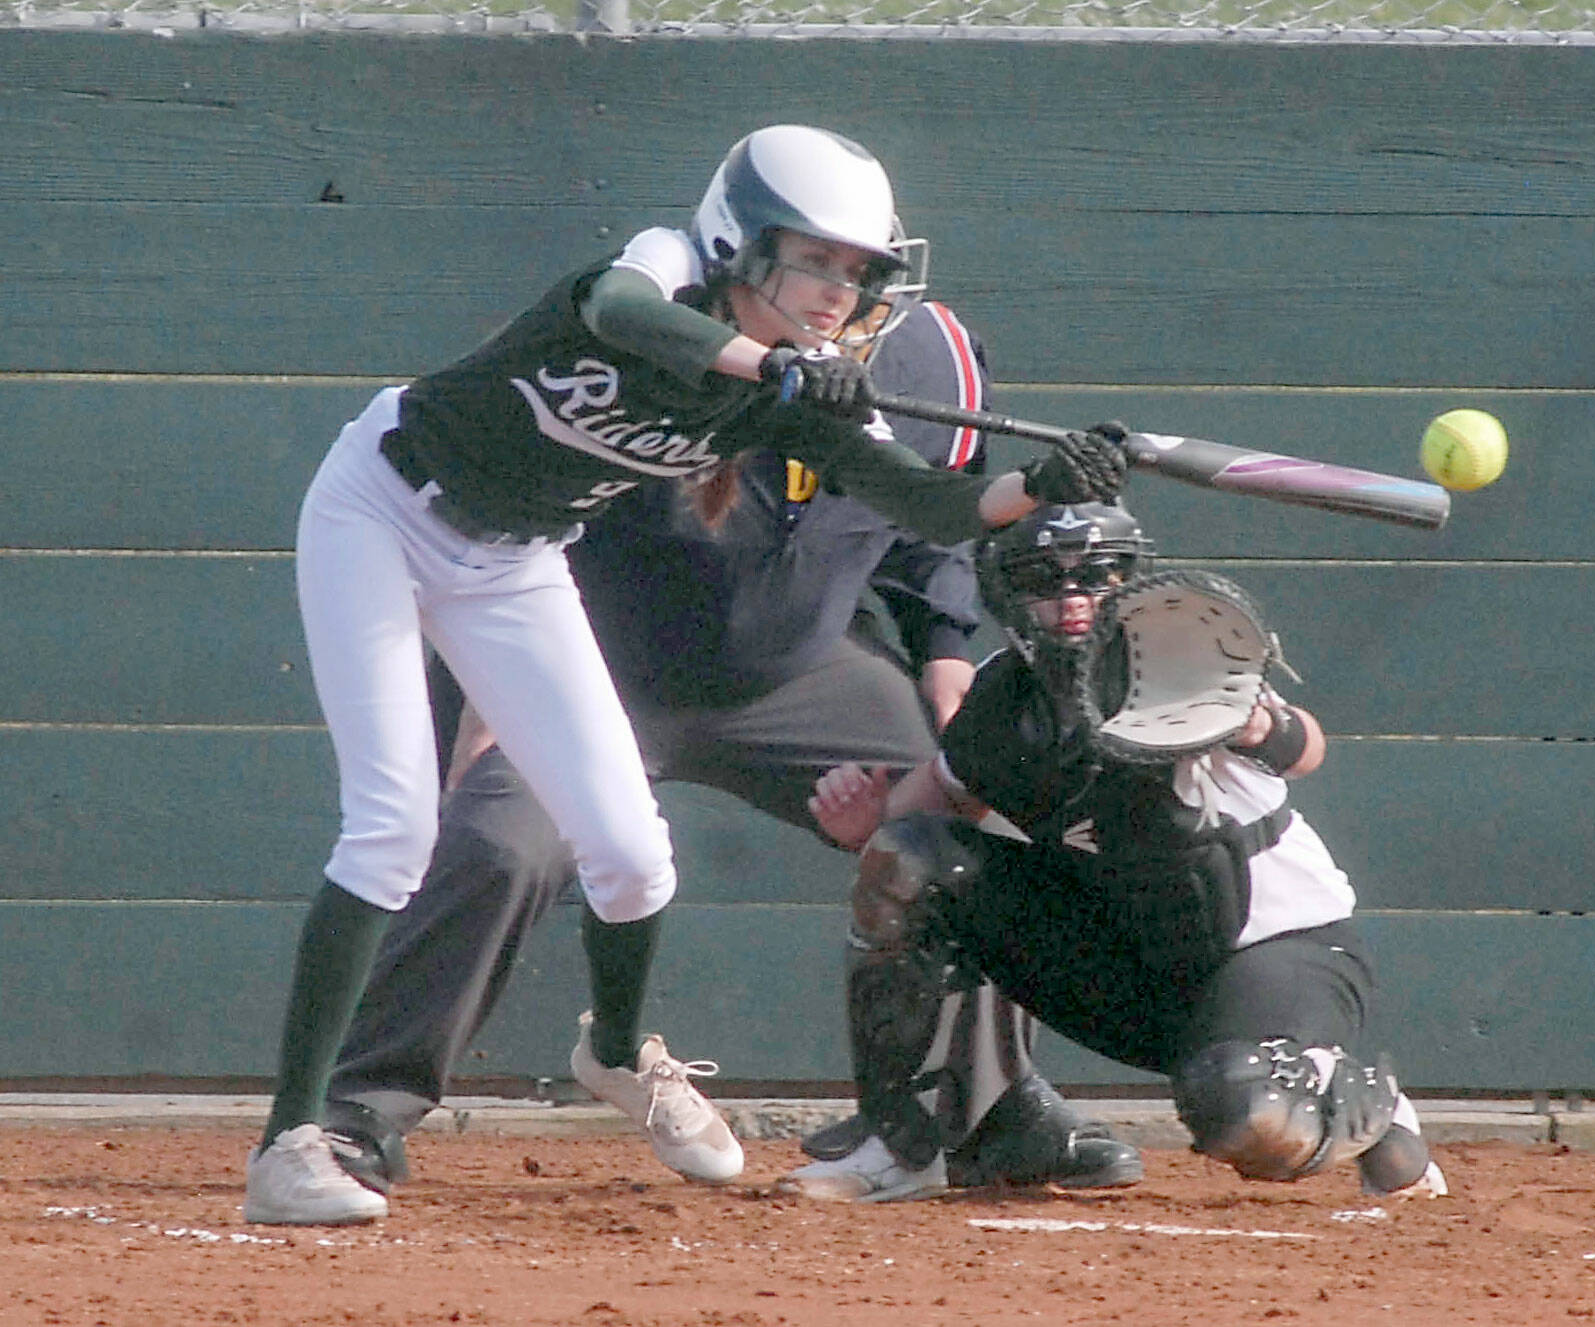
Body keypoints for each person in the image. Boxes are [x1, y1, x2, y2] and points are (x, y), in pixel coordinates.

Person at [244, 123, 1129, 1226]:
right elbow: (620, 314)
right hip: (384, 507)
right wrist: (777, 367)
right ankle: (303, 1136)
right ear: (737, 244)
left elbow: (938, 509)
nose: (834, 292)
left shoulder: (802, 389)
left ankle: (621, 1055)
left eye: (855, 273)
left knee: (631, 858)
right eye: (811, 259)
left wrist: (1043, 484)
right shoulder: (664, 264)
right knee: (394, 830)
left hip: (515, 562)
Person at [783, 500, 1449, 1203]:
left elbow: (1304, 746)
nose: (1073, 600)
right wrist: (862, 823)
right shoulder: (1003, 700)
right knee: (911, 859)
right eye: (1048, 581)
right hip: (1132, 964)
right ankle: (914, 1141)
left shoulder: (1181, 665)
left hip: (1276, 951)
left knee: (1246, 1114)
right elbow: (927, 806)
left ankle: (1361, 1105)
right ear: (1013, 593)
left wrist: (1261, 723)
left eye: (1096, 577)